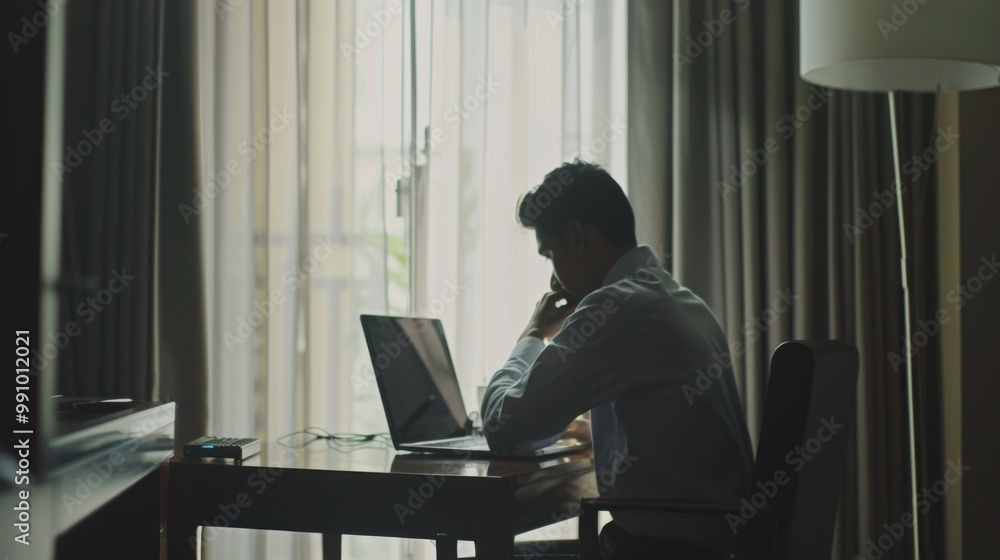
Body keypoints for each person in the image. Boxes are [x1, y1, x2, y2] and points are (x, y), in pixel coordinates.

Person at [480, 161, 754, 558]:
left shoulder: (616, 307)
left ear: (576, 237)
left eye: (550, 254)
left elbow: (504, 428)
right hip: (709, 543)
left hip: (659, 551)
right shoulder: (678, 300)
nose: (554, 281)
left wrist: (533, 333)